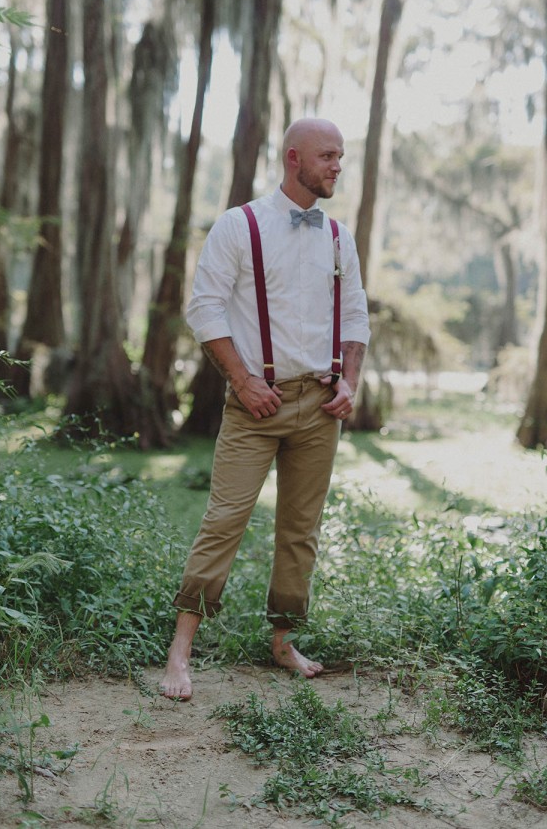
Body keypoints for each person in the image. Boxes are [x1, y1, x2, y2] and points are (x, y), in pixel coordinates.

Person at [160, 117, 370, 700]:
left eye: (341, 156)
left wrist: (350, 382)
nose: (336, 166)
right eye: (327, 155)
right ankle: (180, 651)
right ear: (293, 157)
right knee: (223, 521)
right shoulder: (240, 224)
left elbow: (354, 315)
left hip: (321, 404)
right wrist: (243, 380)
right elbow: (205, 309)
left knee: (300, 531)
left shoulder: (338, 237)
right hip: (256, 404)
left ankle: (282, 641)